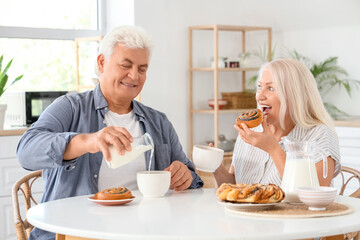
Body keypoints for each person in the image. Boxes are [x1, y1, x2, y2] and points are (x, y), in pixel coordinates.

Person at [17, 25, 203, 240]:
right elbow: (26, 151)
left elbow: (192, 178)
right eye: (126, 65)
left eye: (142, 69)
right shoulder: (70, 107)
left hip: (143, 232)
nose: (134, 75)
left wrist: (185, 176)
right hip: (73, 233)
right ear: (102, 63)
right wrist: (89, 141)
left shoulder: (158, 121)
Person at [213, 58, 341, 187]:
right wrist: (216, 167)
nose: (260, 96)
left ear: (295, 95)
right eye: (259, 87)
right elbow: (235, 187)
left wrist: (272, 148)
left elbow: (312, 193)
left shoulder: (319, 135)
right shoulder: (250, 132)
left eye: (271, 88)